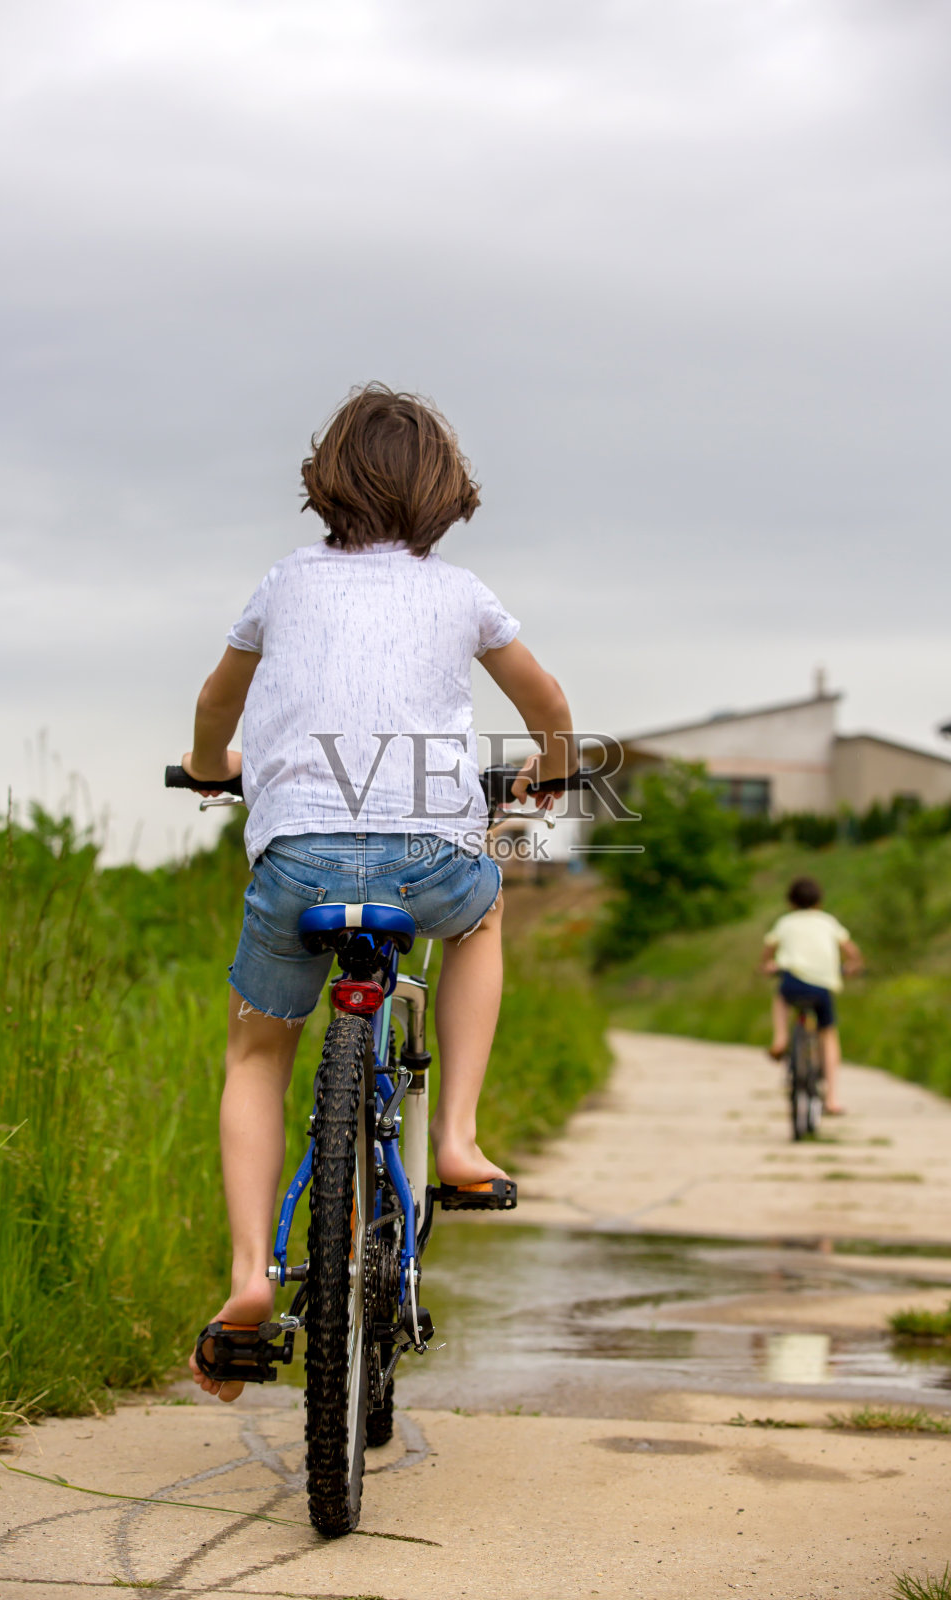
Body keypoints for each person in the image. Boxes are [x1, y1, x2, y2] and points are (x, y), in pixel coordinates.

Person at [181, 383, 577, 1399]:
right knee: (484, 912)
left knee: (258, 1047)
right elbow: (548, 705)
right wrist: (552, 768)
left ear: (325, 483)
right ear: (445, 493)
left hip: (297, 860)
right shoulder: (461, 593)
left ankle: (243, 1276)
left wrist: (214, 762)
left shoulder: (281, 585)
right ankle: (455, 1138)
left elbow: (217, 699)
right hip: (428, 858)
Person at [761, 876, 863, 1116]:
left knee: (781, 997)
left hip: (793, 980)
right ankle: (832, 1099)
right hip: (822, 984)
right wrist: (853, 966)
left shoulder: (785, 922)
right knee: (828, 1035)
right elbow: (851, 951)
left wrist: (767, 965)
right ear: (819, 901)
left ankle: (781, 1038)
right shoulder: (828, 922)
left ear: (791, 902)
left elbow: (768, 950)